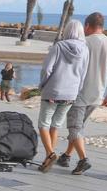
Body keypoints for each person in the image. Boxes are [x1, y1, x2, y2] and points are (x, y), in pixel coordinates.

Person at [57, 12, 107, 175]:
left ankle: (83, 160)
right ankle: (66, 156)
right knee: (79, 128)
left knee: (74, 128)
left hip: (79, 92)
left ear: (87, 26)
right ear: (102, 26)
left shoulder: (84, 42)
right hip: (98, 93)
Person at [37, 18, 89, 172]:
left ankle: (50, 153)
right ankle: (48, 159)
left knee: (43, 124)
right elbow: (83, 74)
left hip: (53, 90)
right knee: (56, 125)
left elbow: (47, 69)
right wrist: (76, 90)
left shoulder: (59, 46)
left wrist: (42, 84)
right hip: (71, 93)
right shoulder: (85, 49)